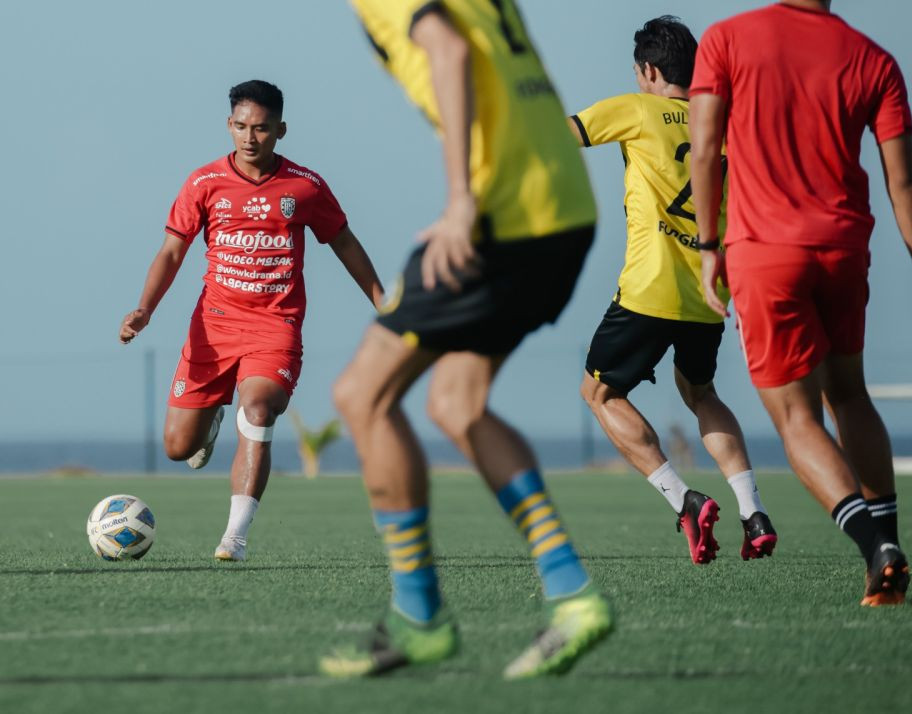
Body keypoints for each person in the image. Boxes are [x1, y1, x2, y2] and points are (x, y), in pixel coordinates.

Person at [320, 0, 611, 680]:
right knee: (457, 401)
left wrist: (461, 201)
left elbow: (449, 53)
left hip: (501, 221)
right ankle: (573, 596)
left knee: (361, 396)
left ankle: (419, 616)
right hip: (565, 211)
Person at [688, 0, 912, 605]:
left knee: (797, 418)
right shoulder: (873, 59)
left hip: (764, 254)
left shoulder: (727, 39)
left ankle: (874, 548)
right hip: (841, 249)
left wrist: (709, 248)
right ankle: (887, 538)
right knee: (850, 394)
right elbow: (903, 178)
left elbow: (704, 149)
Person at [118, 80, 383, 562]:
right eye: (240, 127)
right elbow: (172, 250)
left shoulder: (305, 185)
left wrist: (382, 300)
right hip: (213, 329)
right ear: (229, 126)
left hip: (274, 328)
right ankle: (214, 415)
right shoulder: (203, 183)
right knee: (178, 448)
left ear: (280, 130)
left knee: (259, 412)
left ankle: (234, 537)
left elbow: (344, 242)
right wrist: (145, 309)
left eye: (261, 128)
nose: (249, 137)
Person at [568, 16, 777, 566]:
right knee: (702, 392)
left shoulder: (637, 109)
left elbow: (559, 136)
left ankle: (684, 500)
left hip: (648, 289)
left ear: (650, 70)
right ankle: (753, 512)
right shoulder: (724, 121)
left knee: (600, 394)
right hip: (712, 292)